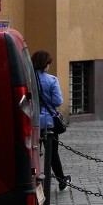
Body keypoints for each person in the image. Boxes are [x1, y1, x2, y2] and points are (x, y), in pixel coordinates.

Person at [32, 50, 71, 191]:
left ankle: (33, 180)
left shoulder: (28, 80)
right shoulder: (51, 80)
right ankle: (61, 180)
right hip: (49, 123)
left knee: (34, 153)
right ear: (45, 64)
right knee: (53, 153)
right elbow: (58, 101)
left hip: (33, 122)